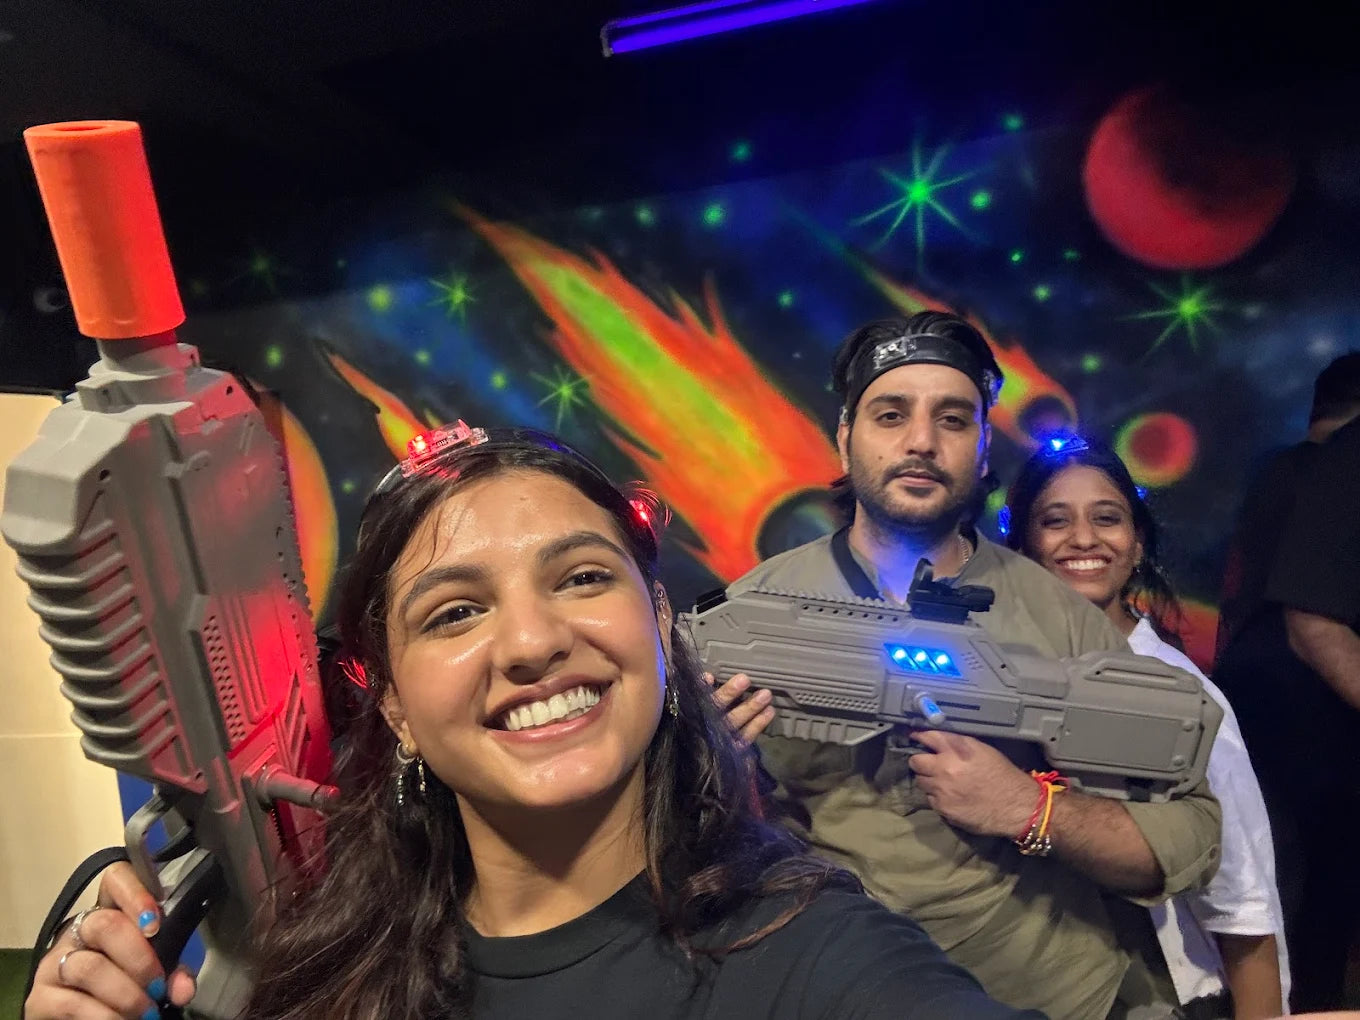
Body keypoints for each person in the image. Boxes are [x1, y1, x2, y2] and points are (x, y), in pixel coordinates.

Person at [24, 425, 1038, 1020]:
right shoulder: (330, 966)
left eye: (582, 578)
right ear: (393, 703)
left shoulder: (813, 960)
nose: (532, 641)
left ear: (659, 623)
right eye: (454, 613)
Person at [729, 312, 1223, 1019]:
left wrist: (1029, 808)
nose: (921, 442)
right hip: (846, 990)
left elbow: (1191, 833)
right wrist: (715, 772)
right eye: (891, 415)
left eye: (953, 419)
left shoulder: (1059, 617)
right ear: (845, 438)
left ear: (984, 444)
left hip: (1057, 994)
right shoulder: (752, 616)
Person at [1005, 435, 1289, 1019]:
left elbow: (1243, 905)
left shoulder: (1182, 697)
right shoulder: (999, 676)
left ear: (1136, 544)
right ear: (1025, 546)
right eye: (1055, 521)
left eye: (1106, 518)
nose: (1083, 538)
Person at [1215, 352, 1360, 1013]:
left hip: (1249, 697)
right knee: (1311, 905)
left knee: (1263, 890)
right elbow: (1314, 624)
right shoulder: (1343, 466)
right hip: (1312, 719)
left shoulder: (1273, 470)